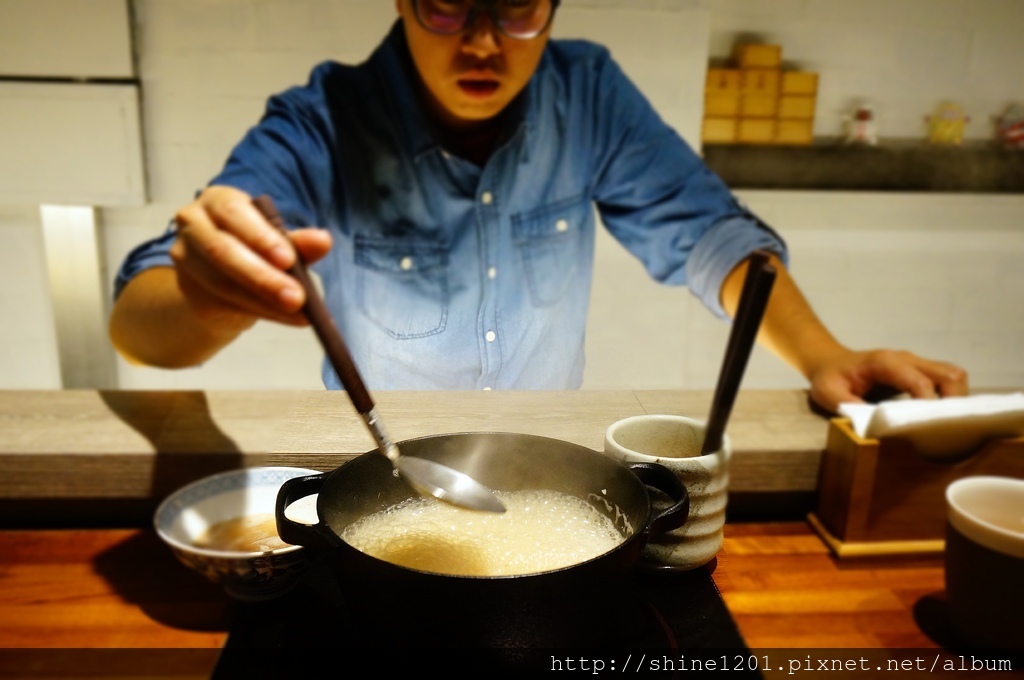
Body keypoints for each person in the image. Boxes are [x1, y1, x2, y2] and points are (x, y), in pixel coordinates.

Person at [109, 0, 968, 413]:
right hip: (382, 467)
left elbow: (713, 234)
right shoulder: (323, 117)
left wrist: (826, 354)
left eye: (516, 8)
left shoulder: (586, 91)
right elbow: (139, 324)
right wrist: (208, 297)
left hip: (546, 458)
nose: (482, 42)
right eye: (448, 5)